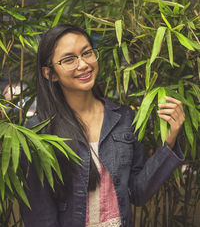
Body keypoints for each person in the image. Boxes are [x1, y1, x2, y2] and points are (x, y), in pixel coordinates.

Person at [22, 24, 185, 227]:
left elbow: (137, 193)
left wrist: (168, 142)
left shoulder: (124, 118)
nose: (83, 64)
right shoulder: (39, 131)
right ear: (50, 73)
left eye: (86, 53)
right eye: (69, 59)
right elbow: (40, 215)